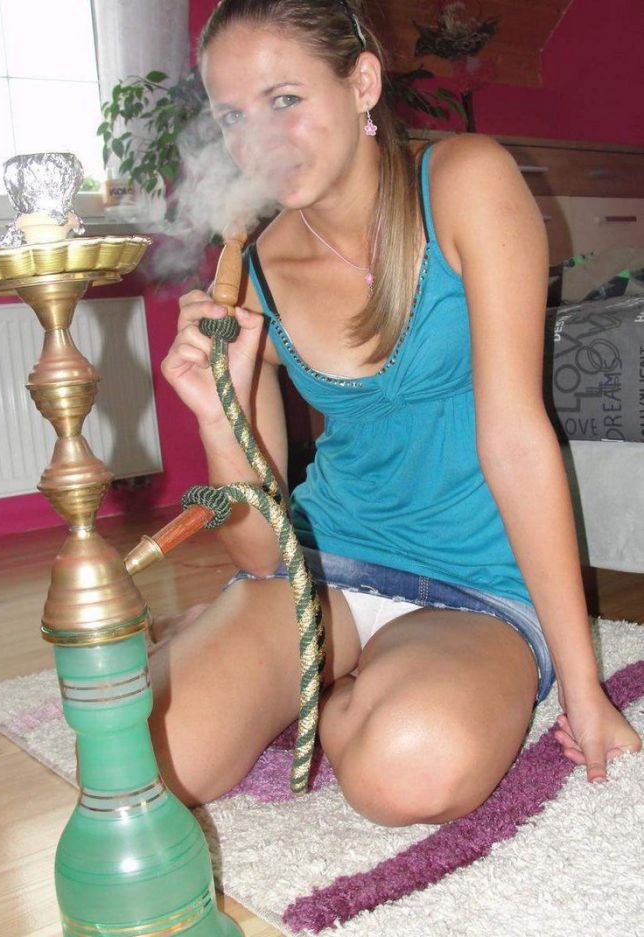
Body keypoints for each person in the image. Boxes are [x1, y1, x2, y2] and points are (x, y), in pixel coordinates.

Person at [149, 0, 641, 827]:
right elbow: (263, 547)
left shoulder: (465, 182)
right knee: (157, 758)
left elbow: (516, 439)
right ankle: (306, 659)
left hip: (476, 585)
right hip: (322, 562)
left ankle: (349, 678)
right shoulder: (254, 273)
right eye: (232, 117)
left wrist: (583, 685)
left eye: (284, 100)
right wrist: (214, 411)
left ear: (363, 82)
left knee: (403, 772)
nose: (258, 143)